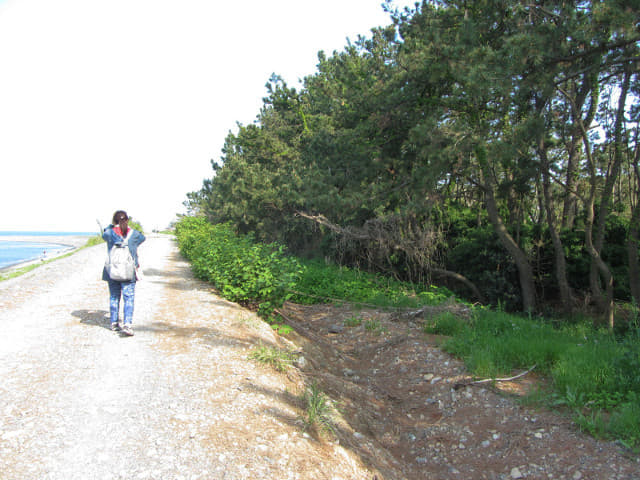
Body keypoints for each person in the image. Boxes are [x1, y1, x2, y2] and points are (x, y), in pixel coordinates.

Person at [102, 210, 146, 336]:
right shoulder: (134, 234)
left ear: (114, 221)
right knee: (129, 297)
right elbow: (143, 238)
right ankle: (127, 324)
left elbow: (104, 234)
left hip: (113, 271)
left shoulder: (110, 233)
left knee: (114, 297)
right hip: (128, 271)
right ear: (126, 220)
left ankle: (114, 323)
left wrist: (112, 226)